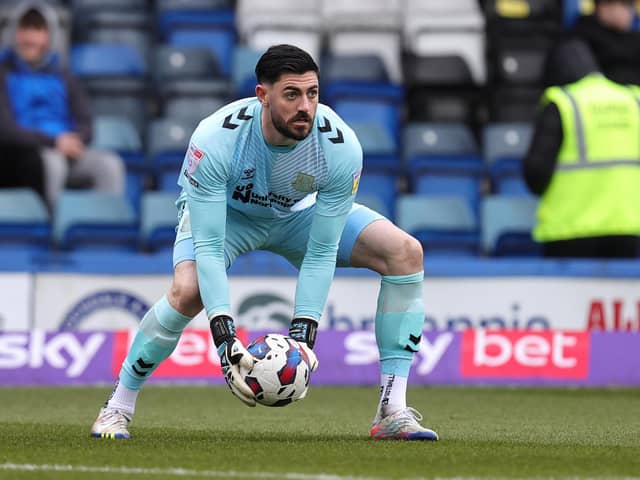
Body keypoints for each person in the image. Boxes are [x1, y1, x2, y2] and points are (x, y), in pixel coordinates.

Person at [90, 44, 438, 441]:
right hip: (227, 217)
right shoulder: (216, 138)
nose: (305, 106)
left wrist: (304, 337)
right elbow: (208, 247)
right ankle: (116, 408)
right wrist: (225, 341)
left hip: (297, 216)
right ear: (263, 96)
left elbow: (322, 250)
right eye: (292, 94)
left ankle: (392, 411)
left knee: (405, 253)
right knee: (187, 291)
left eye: (312, 93)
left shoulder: (340, 147)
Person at [0, 1, 125, 212]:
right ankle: (55, 233)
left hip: (67, 149)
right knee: (52, 163)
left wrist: (75, 140)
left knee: (109, 165)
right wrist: (54, 142)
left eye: (37, 30)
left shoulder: (66, 77)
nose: (30, 38)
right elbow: (6, 129)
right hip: (26, 154)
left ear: (48, 37)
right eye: (25, 30)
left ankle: (106, 229)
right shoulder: (3, 74)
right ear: (15, 34)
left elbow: (85, 121)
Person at [523, 39, 640, 258]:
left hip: (569, 232)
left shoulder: (562, 102)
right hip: (628, 228)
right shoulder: (633, 100)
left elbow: (536, 174)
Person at [569, 0, 640, 85]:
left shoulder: (635, 39)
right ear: (597, 7)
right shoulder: (582, 34)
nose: (617, 11)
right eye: (609, 3)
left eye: (625, 5)